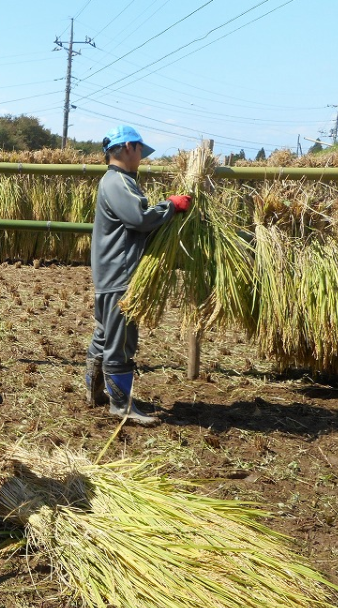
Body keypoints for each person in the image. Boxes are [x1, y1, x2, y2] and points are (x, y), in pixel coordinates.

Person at [85, 125, 191, 425]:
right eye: (140, 151)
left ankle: (94, 392)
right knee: (121, 339)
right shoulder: (117, 181)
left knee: (105, 334)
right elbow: (139, 218)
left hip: (112, 272)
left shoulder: (118, 181)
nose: (141, 158)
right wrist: (170, 205)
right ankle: (121, 405)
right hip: (120, 273)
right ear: (129, 147)